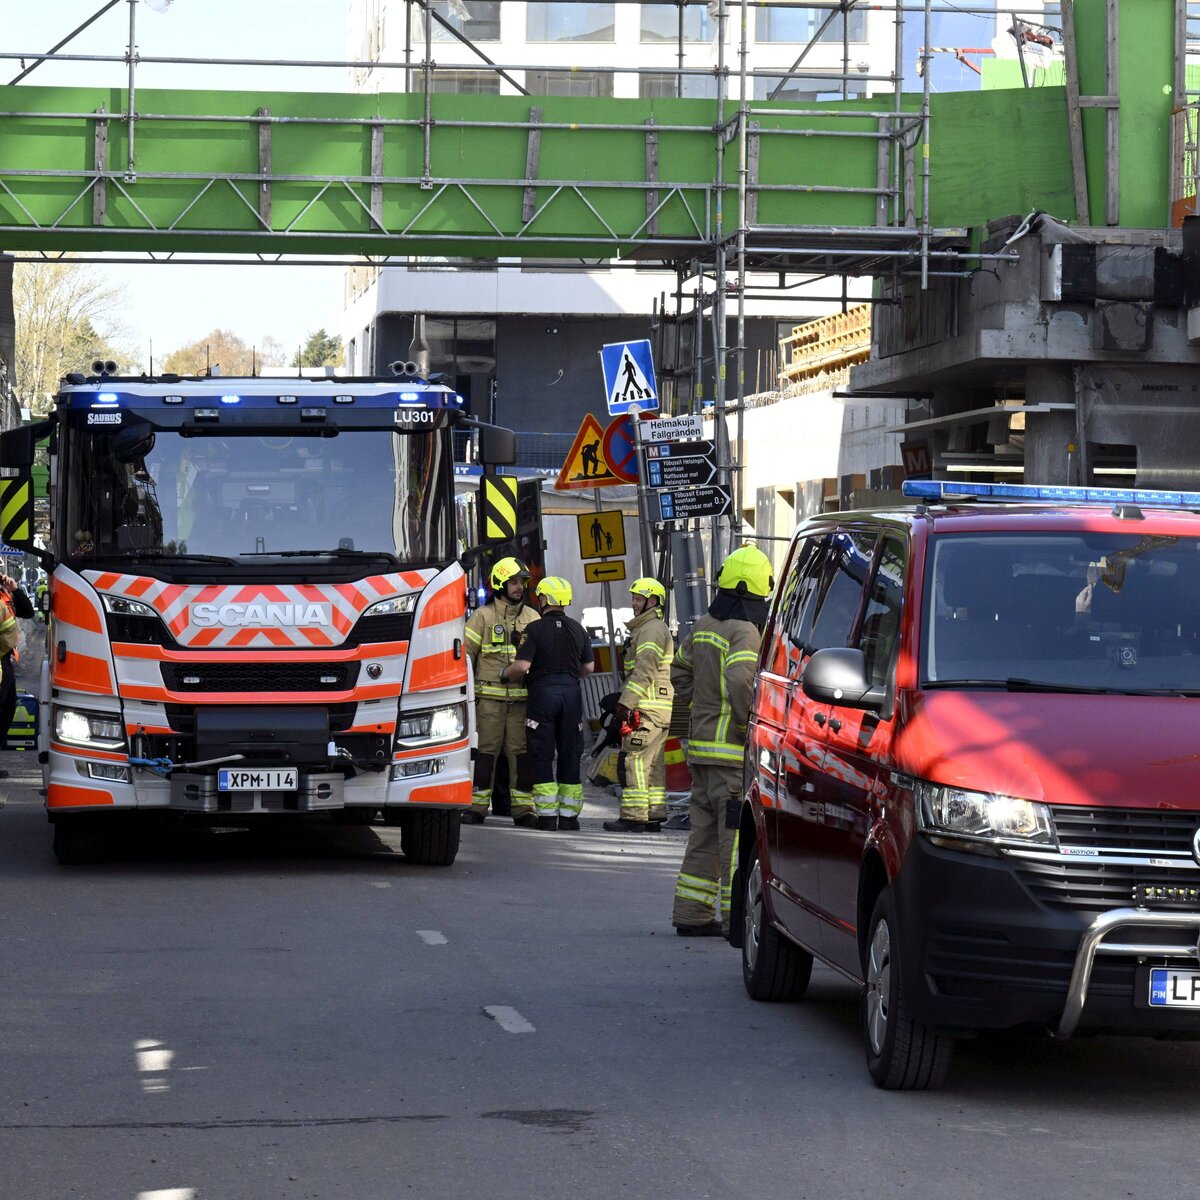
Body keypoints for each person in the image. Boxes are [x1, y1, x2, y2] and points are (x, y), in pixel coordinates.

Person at [670, 544, 773, 937]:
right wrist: (749, 726)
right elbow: (742, 682)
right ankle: (735, 921)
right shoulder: (745, 631)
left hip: (701, 753)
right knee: (734, 842)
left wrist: (701, 704)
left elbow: (679, 674)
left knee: (702, 835)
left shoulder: (704, 627)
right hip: (732, 756)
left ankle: (691, 914)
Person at [502, 576, 594, 831]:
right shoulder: (578, 629)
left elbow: (522, 666)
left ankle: (546, 817)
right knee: (569, 754)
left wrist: (504, 674)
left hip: (542, 696)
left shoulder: (534, 629)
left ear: (544, 599)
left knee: (542, 754)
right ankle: (568, 818)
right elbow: (589, 666)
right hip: (571, 697)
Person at [463, 556, 541, 826]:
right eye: (514, 582)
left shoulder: (533, 617)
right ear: (499, 584)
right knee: (485, 753)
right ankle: (476, 806)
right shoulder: (481, 617)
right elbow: (465, 659)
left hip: (521, 704)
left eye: (522, 582)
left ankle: (524, 810)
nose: (520, 587)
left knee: (521, 756)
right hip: (489, 703)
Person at [603, 577, 674, 833]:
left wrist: (625, 704)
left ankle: (633, 817)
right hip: (657, 707)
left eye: (638, 599)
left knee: (634, 760)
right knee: (652, 764)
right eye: (633, 598)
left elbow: (644, 670)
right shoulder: (649, 628)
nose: (633, 603)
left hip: (646, 707)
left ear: (652, 601)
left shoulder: (651, 630)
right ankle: (653, 815)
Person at [0, 571, 34, 779]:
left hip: (5, 660)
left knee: (7, 709)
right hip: (2, 656)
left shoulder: (5, 594)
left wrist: (16, 590)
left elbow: (28, 612)